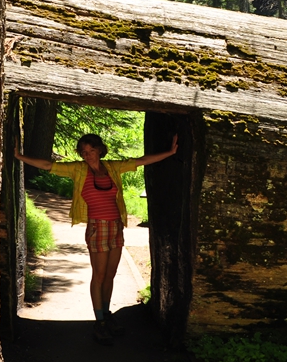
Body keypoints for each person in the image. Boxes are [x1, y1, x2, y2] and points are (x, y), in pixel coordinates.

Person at [14, 132, 178, 344]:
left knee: (110, 275)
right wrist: (19, 156)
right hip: (97, 228)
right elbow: (47, 165)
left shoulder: (112, 168)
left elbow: (142, 160)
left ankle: (107, 314)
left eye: (91, 150)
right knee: (99, 276)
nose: (88, 155)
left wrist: (171, 152)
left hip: (116, 228)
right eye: (84, 152)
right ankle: (99, 322)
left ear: (100, 150)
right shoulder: (78, 169)